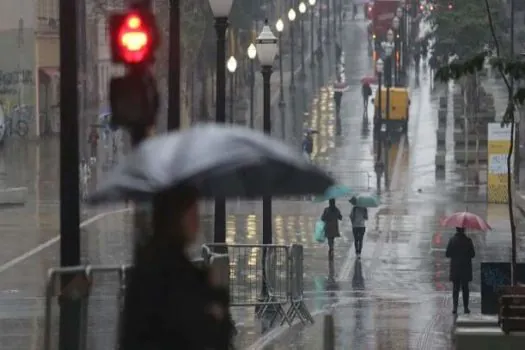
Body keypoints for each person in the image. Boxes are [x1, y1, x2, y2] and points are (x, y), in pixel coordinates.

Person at [119, 186, 235, 349]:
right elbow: (204, 337)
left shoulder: (148, 267)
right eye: (192, 214)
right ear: (176, 218)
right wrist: (217, 298)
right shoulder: (174, 275)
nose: (197, 222)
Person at [446, 227, 475, 315]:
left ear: (456, 229)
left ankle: (455, 307)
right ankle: (466, 307)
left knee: (455, 288)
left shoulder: (452, 240)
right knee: (465, 288)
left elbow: (447, 254)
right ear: (464, 230)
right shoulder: (468, 240)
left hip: (455, 268)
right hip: (465, 268)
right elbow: (473, 254)